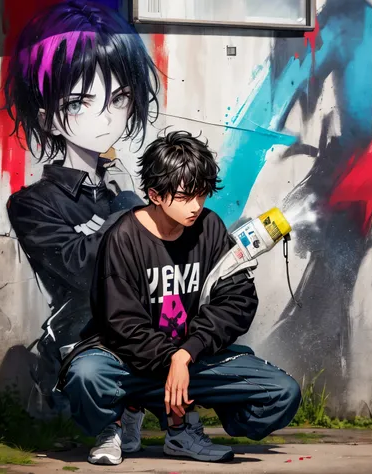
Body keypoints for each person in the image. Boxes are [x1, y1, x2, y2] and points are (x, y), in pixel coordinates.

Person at [56, 130, 302, 465]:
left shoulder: (210, 228)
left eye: (201, 195)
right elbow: (122, 324)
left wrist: (186, 355)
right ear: (155, 195)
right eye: (185, 197)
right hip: (127, 361)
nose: (196, 206)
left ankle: (177, 425)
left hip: (191, 358)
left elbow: (238, 300)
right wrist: (172, 361)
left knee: (281, 393)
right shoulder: (123, 239)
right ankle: (116, 425)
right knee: (86, 375)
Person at [3, 0, 157, 447]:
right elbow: (82, 268)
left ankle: (150, 412)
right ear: (49, 117)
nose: (104, 115)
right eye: (80, 101)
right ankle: (102, 418)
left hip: (144, 335)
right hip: (82, 341)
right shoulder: (33, 203)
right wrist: (127, 208)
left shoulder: (125, 189)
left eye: (119, 97)